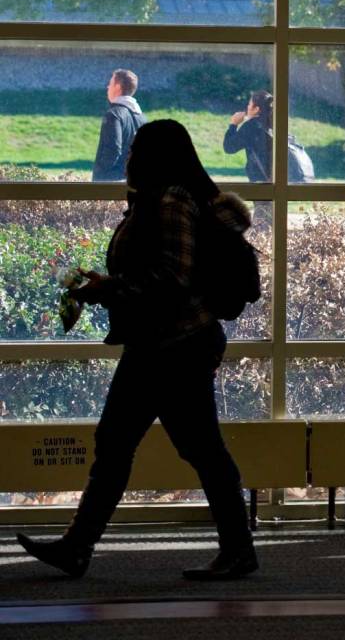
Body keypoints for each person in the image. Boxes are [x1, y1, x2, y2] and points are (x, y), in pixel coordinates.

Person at [17, 119, 258, 581]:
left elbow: (173, 278)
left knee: (195, 448)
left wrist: (111, 288)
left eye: (135, 150)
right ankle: (78, 546)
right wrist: (110, 287)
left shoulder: (171, 202)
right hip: (161, 344)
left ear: (154, 157)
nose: (128, 157)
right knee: (123, 442)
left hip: (177, 346)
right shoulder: (158, 201)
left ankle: (238, 550)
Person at [92, 69, 145, 182]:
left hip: (110, 185)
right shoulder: (142, 118)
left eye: (110, 83)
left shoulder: (113, 114)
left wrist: (100, 175)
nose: (107, 87)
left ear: (117, 87)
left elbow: (113, 149)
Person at [223, 90, 274, 182]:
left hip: (261, 183)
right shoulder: (273, 126)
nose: (247, 107)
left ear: (256, 109)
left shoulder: (252, 126)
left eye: (249, 104)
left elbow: (229, 147)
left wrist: (233, 124)